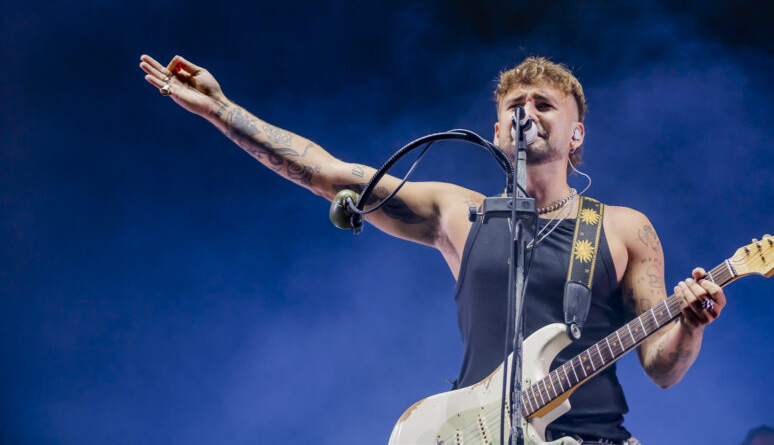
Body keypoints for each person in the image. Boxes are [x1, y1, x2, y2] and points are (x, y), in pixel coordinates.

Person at [139, 53, 727, 444]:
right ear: (497, 131)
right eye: (515, 106)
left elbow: (661, 368)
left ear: (576, 133)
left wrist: (690, 326)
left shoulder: (624, 229)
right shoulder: (459, 213)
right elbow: (327, 172)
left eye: (544, 104)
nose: (526, 113)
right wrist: (221, 109)